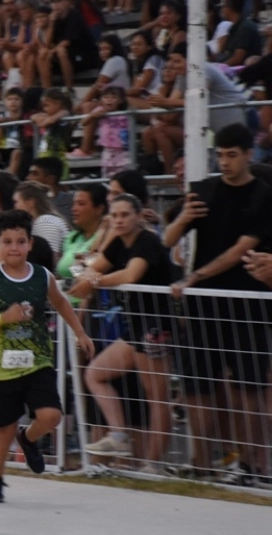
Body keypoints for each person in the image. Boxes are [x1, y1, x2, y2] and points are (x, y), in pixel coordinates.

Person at [162, 123, 272, 483]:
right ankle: (201, 463)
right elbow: (167, 238)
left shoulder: (262, 195)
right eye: (220, 155)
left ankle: (254, 465)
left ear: (248, 154)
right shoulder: (204, 190)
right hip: (201, 306)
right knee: (197, 385)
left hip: (245, 301)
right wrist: (184, 218)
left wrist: (195, 277)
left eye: (231, 155)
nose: (224, 162)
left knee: (248, 387)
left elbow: (241, 249)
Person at [0, 210, 94, 502]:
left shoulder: (42, 275)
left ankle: (28, 438)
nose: (14, 247)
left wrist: (80, 333)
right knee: (4, 427)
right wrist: (7, 317)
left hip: (37, 359)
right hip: (1, 364)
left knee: (51, 415)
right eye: (7, 241)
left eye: (20, 241)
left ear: (30, 243)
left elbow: (62, 304)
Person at [70, 193, 176, 470]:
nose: (118, 220)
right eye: (114, 215)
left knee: (157, 397)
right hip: (135, 326)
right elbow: (90, 270)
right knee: (95, 374)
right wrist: (91, 277)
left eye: (125, 215)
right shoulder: (118, 241)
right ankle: (118, 434)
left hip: (156, 326)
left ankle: (154, 465)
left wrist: (94, 281)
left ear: (139, 216)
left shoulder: (148, 241)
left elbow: (131, 275)